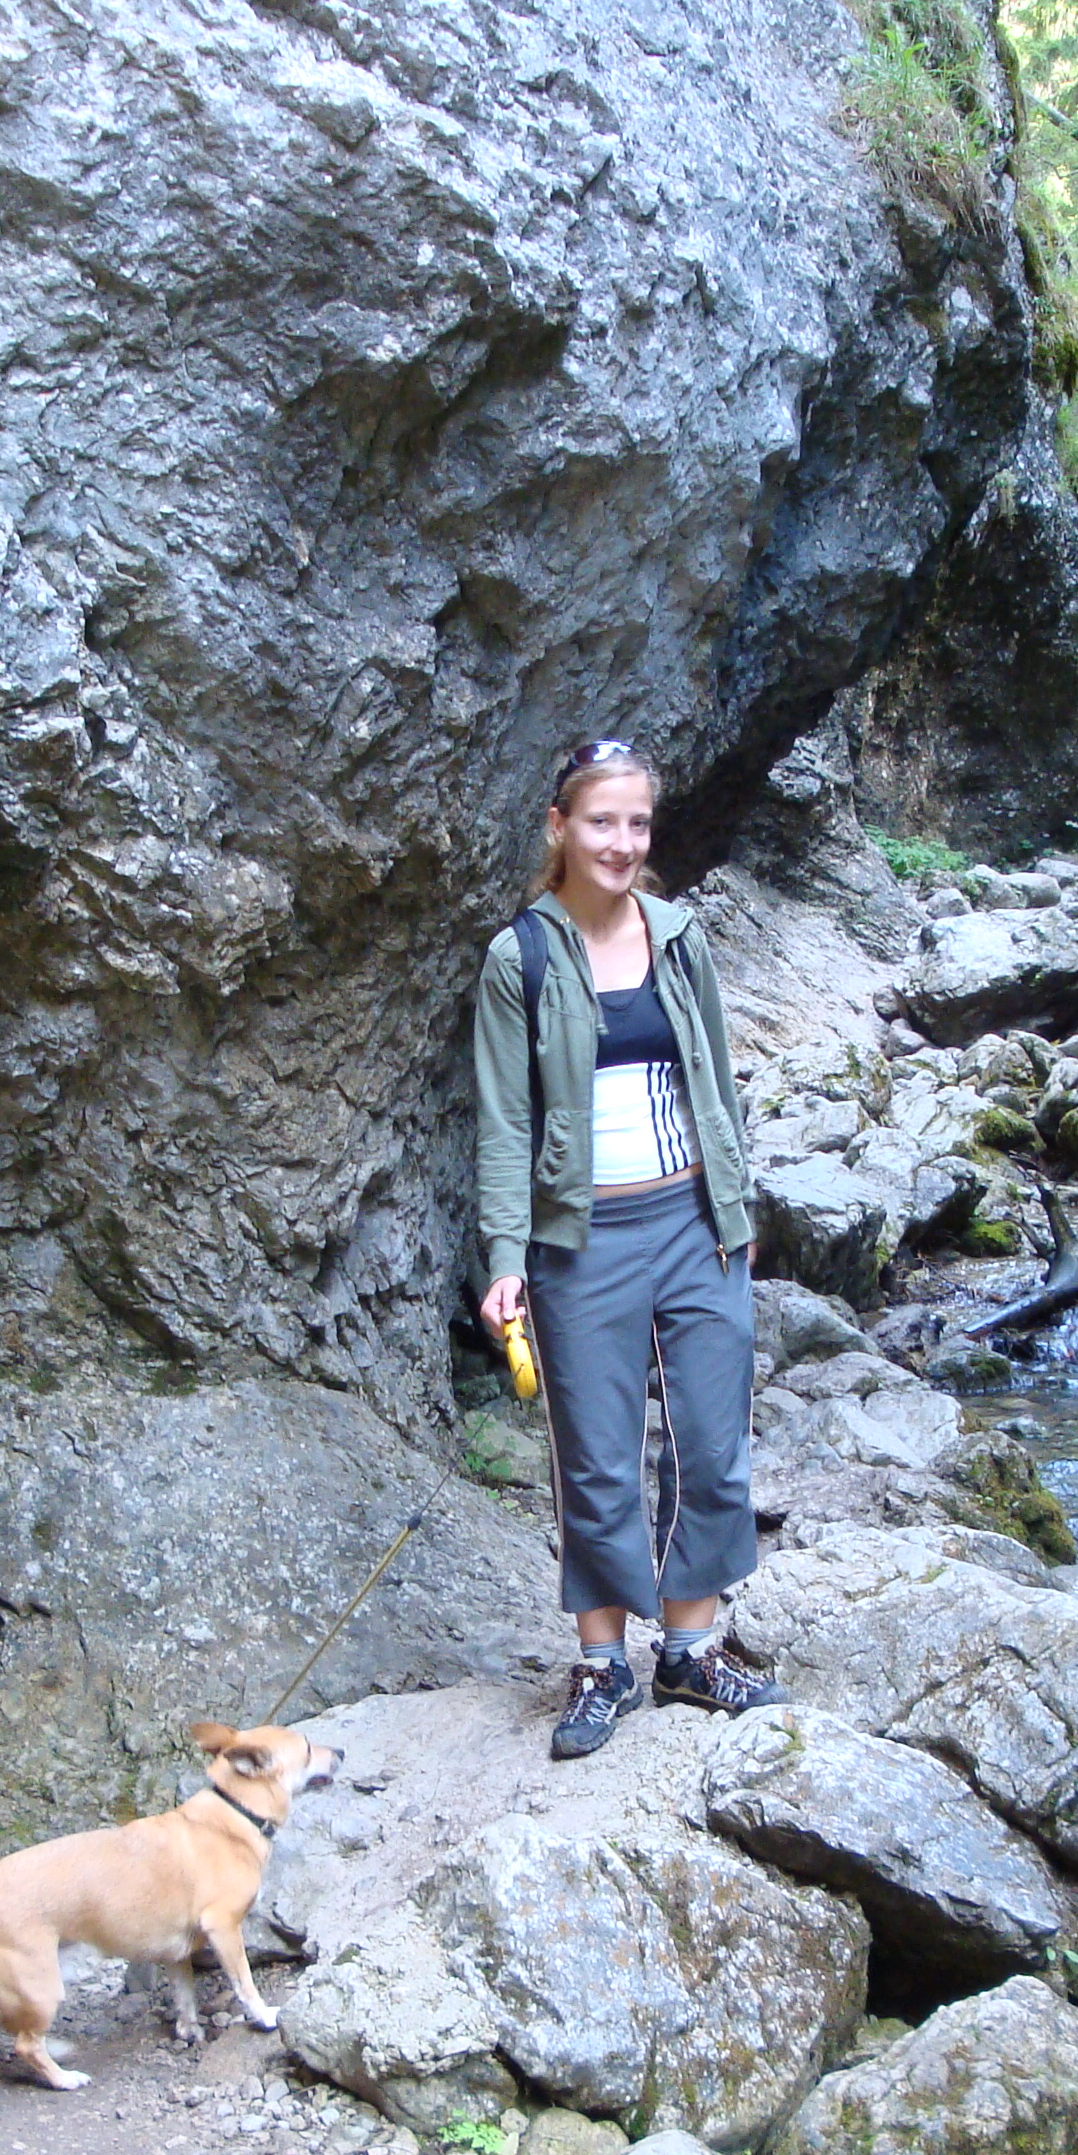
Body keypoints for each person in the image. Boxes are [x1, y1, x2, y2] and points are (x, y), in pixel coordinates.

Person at [472, 737, 789, 1758]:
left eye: (638, 823)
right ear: (559, 827)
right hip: (582, 1237)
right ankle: (603, 1665)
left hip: (694, 1221)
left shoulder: (680, 938)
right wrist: (507, 1258)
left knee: (711, 1445)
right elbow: (504, 1123)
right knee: (597, 1461)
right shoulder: (520, 957)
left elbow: (717, 1084)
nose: (621, 842)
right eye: (601, 821)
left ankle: (691, 1653)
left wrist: (736, 1213)